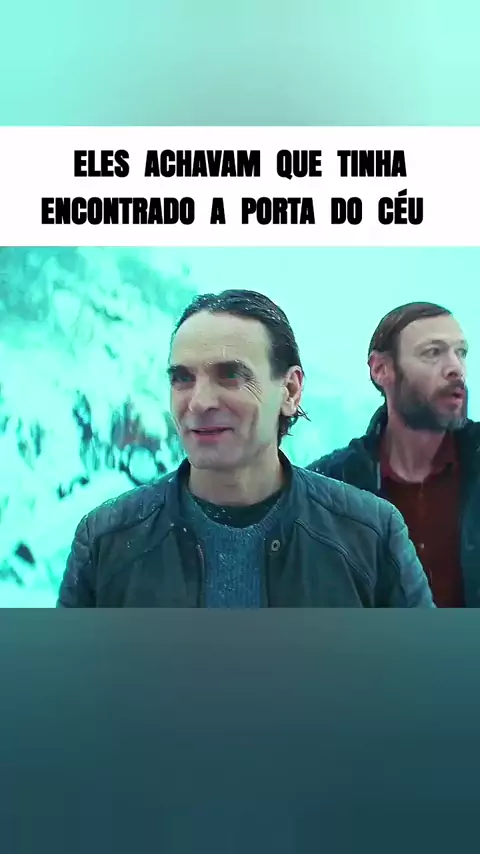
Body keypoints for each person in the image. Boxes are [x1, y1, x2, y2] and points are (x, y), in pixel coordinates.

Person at [57, 290, 433, 608]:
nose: (199, 402)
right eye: (183, 378)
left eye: (230, 375)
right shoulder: (106, 542)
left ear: (290, 391)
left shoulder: (370, 536)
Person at [308, 301, 480, 608]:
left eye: (461, 352)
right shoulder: (329, 487)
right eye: (433, 352)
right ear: (381, 369)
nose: (455, 367)